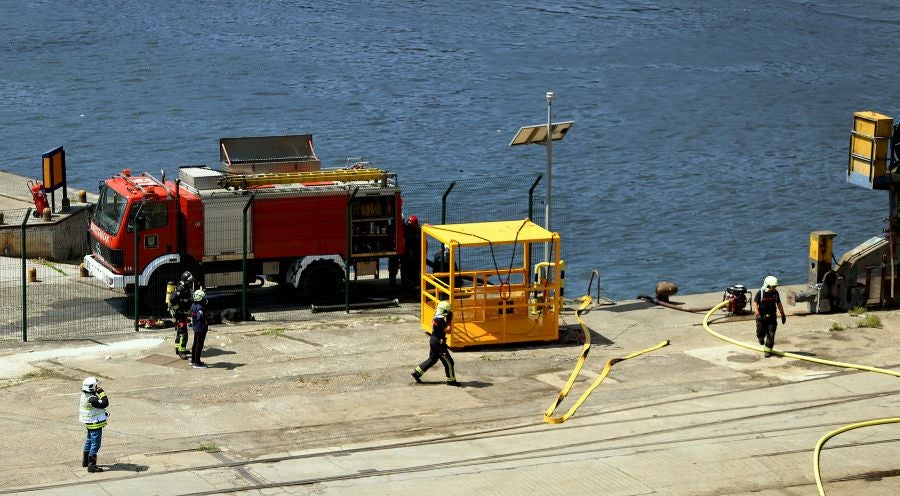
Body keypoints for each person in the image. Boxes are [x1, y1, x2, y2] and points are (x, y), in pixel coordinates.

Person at [411, 300, 461, 386]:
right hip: (439, 343)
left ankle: (417, 372)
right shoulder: (440, 320)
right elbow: (448, 331)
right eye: (448, 311)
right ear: (445, 311)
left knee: (432, 359)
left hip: (433, 340)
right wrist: (449, 321)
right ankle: (451, 380)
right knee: (449, 362)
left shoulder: (435, 316)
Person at [78, 376, 109, 473]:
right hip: (95, 424)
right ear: (91, 388)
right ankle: (92, 465)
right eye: (96, 386)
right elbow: (105, 403)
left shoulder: (84, 395)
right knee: (96, 443)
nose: (97, 387)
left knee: (89, 440)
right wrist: (102, 392)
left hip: (89, 422)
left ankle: (85, 461)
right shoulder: (92, 399)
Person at [752, 275, 787, 358]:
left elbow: (779, 304)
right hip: (761, 317)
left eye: (775, 286)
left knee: (771, 334)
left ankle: (767, 350)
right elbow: (755, 303)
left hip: (772, 317)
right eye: (773, 286)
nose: (775, 288)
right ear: (767, 286)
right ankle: (760, 338)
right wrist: (757, 314)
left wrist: (783, 314)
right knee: (760, 332)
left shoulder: (775, 293)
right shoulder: (760, 293)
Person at [168, 271, 196, 359]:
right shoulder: (181, 289)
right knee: (183, 332)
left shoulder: (186, 288)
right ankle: (181, 351)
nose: (191, 283)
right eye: (190, 281)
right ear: (185, 281)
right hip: (179, 314)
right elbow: (172, 299)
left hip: (182, 313)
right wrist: (178, 310)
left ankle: (178, 348)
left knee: (180, 331)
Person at [190, 288, 210, 369]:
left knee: (195, 343)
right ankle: (197, 363)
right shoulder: (200, 307)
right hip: (200, 327)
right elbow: (200, 316)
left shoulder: (193, 305)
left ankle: (193, 360)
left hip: (195, 326)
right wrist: (205, 317)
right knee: (199, 344)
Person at [401, 215, 422, 291]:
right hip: (408, 250)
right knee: (407, 267)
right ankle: (408, 283)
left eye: (411, 224)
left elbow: (420, 243)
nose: (409, 225)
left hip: (416, 251)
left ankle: (415, 283)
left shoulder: (419, 231)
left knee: (416, 268)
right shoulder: (406, 228)